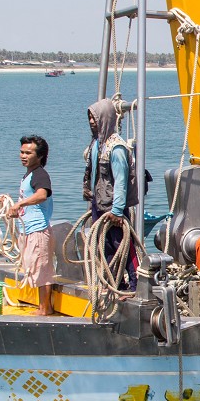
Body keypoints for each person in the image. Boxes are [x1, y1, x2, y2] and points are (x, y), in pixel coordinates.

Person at [83, 99, 134, 289]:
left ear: (105, 118)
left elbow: (121, 181)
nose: (91, 121)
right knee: (105, 247)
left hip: (113, 207)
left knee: (124, 247)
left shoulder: (116, 147)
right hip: (99, 205)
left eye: (94, 117)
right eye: (89, 117)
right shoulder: (97, 144)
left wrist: (118, 210)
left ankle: (135, 283)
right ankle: (115, 282)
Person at [7, 135, 54, 315]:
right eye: (22, 152)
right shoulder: (28, 175)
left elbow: (42, 195)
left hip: (38, 230)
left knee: (42, 269)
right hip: (29, 230)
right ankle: (42, 307)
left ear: (40, 156)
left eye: (28, 153)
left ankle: (45, 309)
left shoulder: (40, 174)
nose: (23, 156)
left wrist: (20, 204)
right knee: (34, 268)